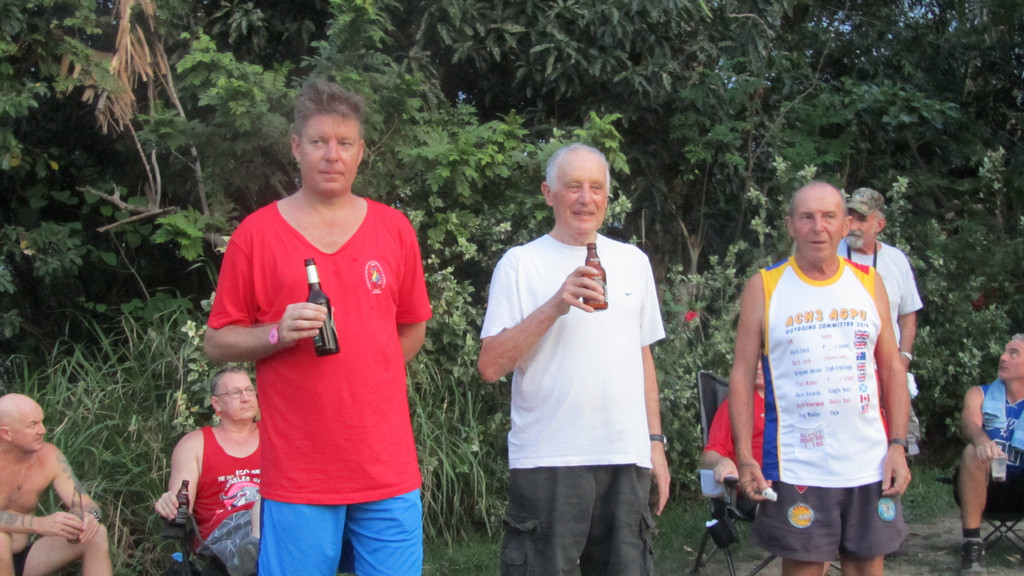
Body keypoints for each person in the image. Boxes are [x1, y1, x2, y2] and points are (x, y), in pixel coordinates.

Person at [204, 78, 432, 576]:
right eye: (318, 141)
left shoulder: (393, 229)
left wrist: (368, 374)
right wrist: (276, 333)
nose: (332, 155)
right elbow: (217, 341)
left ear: (360, 151)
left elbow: (412, 327)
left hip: (386, 466)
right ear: (296, 147)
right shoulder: (256, 235)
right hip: (300, 472)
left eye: (344, 143)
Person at [478, 143, 670, 576]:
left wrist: (655, 445)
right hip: (549, 459)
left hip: (625, 456)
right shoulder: (519, 264)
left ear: (607, 196)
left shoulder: (633, 262)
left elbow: (642, 357)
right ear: (548, 193)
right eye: (573, 187)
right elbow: (490, 365)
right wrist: (555, 305)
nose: (586, 198)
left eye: (596, 187)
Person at [729, 181, 911, 576]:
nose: (818, 227)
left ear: (846, 225)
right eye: (807, 217)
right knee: (804, 569)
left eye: (829, 216)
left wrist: (898, 446)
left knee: (866, 568)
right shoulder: (765, 286)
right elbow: (741, 374)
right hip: (799, 465)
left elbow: (892, 368)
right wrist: (744, 458)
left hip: (868, 462)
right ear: (790, 225)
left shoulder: (869, 282)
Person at [838, 187, 925, 455]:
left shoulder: (896, 260)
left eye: (861, 219)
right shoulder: (832, 254)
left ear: (880, 224)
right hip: (844, 370)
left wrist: (903, 359)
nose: (853, 225)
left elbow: (908, 316)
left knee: (900, 443)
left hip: (888, 367)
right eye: (849, 217)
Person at [153, 366, 261, 576]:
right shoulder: (195, 444)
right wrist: (168, 503)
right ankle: (252, 555)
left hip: (275, 517)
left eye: (249, 390)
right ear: (216, 403)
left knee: (271, 506)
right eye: (236, 393)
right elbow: (180, 504)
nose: (246, 398)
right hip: (225, 530)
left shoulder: (275, 434)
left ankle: (255, 552)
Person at [0, 394, 112, 576]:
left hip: (22, 558)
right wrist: (40, 524)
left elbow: (86, 503)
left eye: (41, 422)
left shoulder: (49, 456)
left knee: (96, 534)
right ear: (6, 433)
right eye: (32, 425)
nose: (42, 430)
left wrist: (87, 516)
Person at [955, 335, 1024, 576]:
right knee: (972, 452)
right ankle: (972, 547)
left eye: (1014, 353)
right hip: (986, 487)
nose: (1003, 357)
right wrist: (982, 440)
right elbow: (969, 424)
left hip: (1021, 490)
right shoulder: (979, 394)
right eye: (1005, 351)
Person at [702, 363, 766, 484]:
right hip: (755, 486)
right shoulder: (736, 404)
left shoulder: (797, 404)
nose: (757, 365)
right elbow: (710, 454)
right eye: (755, 359)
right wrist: (723, 462)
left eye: (763, 358)